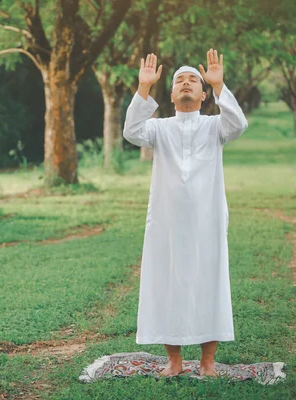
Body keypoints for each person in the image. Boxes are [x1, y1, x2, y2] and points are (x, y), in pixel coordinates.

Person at [122, 49, 248, 377]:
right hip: (167, 223)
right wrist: (144, 88)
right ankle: (174, 362)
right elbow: (132, 132)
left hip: (208, 221)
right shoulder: (160, 129)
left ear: (203, 95)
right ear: (173, 95)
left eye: (193, 79)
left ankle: (208, 362)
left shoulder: (214, 127)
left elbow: (238, 124)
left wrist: (220, 86)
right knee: (167, 284)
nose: (187, 83)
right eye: (180, 80)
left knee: (210, 281)